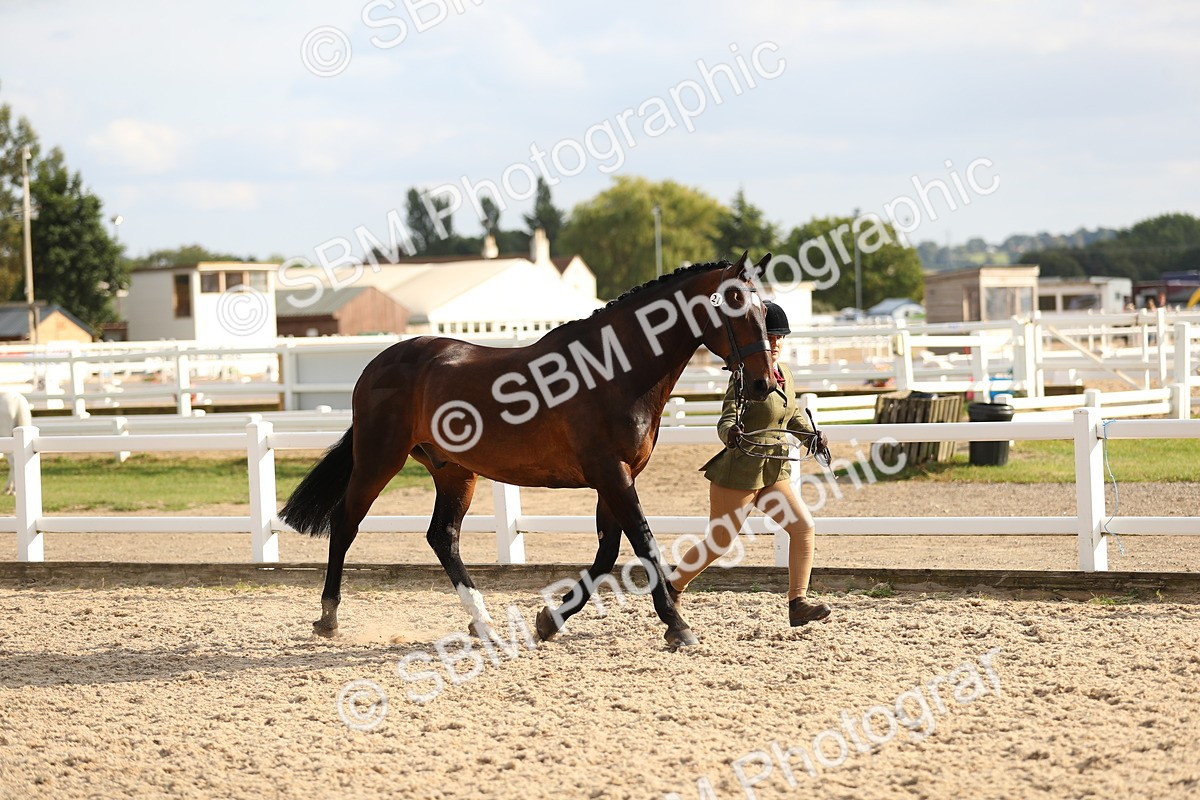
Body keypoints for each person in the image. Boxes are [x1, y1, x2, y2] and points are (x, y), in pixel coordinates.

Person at [667, 301, 832, 626]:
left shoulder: (785, 375)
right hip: (740, 472)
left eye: (778, 337)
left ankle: (797, 603)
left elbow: (791, 414)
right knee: (720, 543)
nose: (773, 342)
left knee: (803, 528)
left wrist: (811, 435)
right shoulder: (745, 376)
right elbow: (727, 416)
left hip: (772, 471)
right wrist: (731, 433)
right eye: (767, 336)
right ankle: (672, 587)